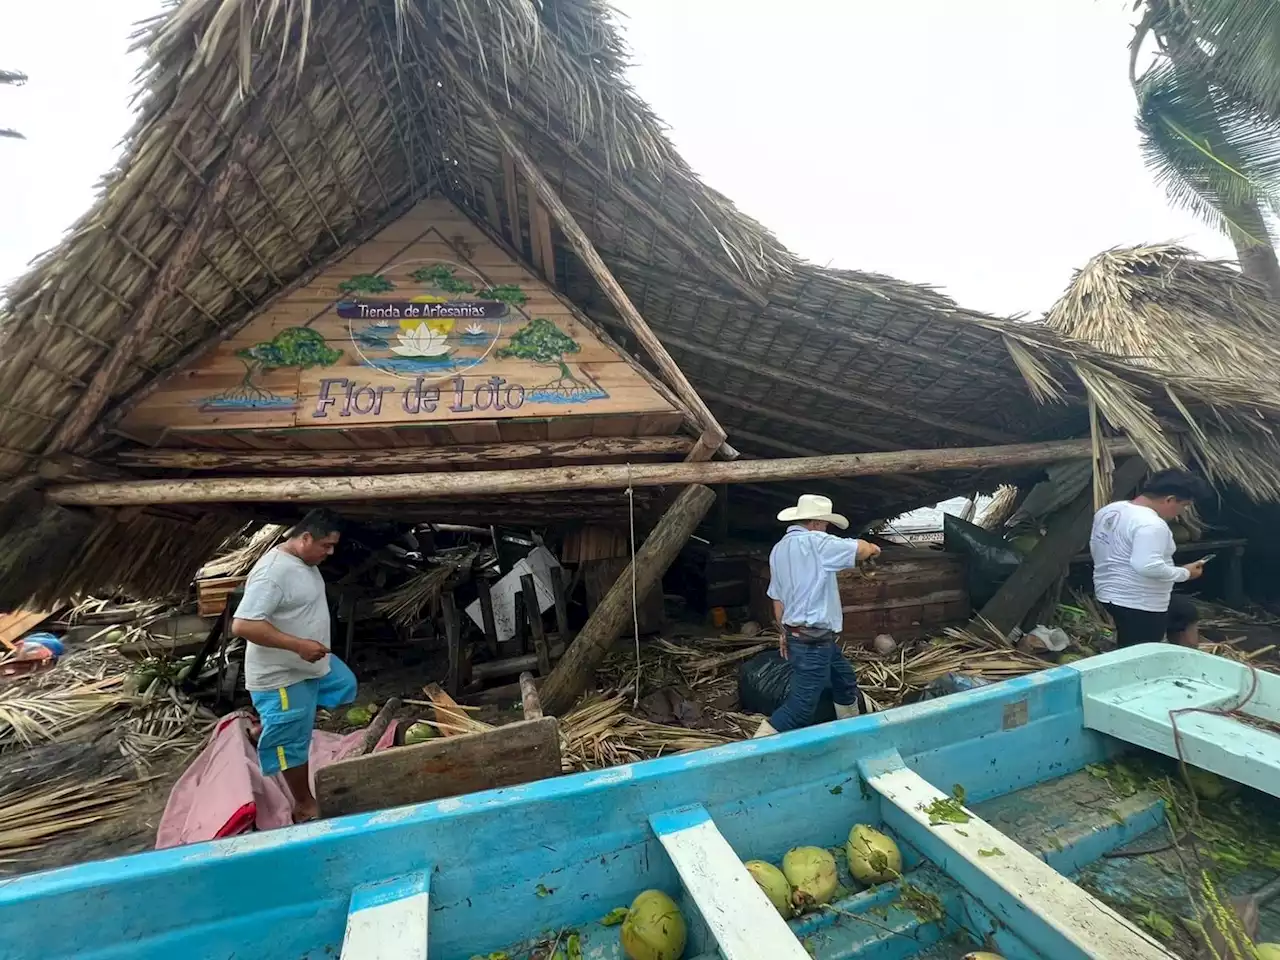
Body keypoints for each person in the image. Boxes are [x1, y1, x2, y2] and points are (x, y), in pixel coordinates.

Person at [232, 509, 356, 822]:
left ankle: (270, 727)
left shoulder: (302, 561)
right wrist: (299, 645)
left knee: (344, 686)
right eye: (325, 546)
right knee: (292, 742)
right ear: (304, 538)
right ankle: (303, 804)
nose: (330, 553)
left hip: (308, 663)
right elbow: (243, 625)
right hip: (283, 674)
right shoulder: (273, 573)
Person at [754, 494, 881, 738]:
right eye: (824, 524)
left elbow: (777, 597)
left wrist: (783, 633)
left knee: (844, 679)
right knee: (800, 709)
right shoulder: (816, 542)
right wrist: (873, 548)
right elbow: (861, 549)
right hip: (813, 640)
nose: (825, 529)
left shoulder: (778, 550)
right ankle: (751, 753)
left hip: (802, 635)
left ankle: (849, 732)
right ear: (814, 523)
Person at [1090, 468, 1214, 649]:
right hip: (1140, 603)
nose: (1181, 512)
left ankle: (1182, 657)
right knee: (1139, 655)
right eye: (1184, 506)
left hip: (1110, 594)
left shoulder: (1110, 511)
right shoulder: (1152, 524)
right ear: (1170, 499)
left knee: (1184, 612)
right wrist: (1184, 573)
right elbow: (1147, 566)